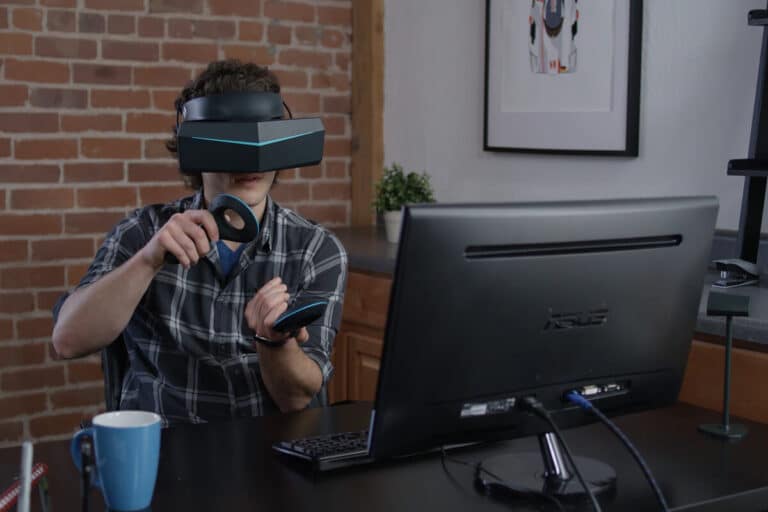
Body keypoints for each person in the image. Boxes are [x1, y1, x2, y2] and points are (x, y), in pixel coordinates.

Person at [51, 59, 348, 425]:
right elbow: (67, 340)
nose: (251, 161)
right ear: (193, 146)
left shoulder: (316, 249)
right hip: (164, 443)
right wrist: (148, 261)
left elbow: (297, 398)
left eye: (263, 140)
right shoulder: (143, 231)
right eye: (233, 142)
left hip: (262, 446)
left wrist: (274, 342)